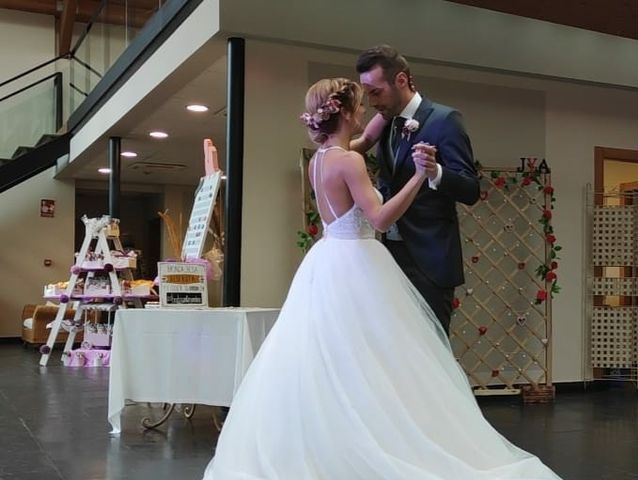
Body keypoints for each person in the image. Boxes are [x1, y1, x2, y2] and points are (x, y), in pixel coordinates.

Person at [201, 77, 561, 480]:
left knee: (337, 357)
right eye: (361, 108)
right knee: (381, 357)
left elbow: (363, 139)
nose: (368, 113)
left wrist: (383, 123)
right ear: (347, 113)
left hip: (326, 260)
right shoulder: (350, 161)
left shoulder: (322, 158)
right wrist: (419, 177)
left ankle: (339, 441)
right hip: (358, 258)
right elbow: (380, 216)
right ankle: (382, 439)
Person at [356, 45, 480, 335]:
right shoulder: (386, 123)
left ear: (401, 80)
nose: (372, 101)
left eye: (376, 92)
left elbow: (471, 189)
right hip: (390, 258)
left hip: (430, 260)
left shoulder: (444, 120)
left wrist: (435, 171)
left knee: (432, 356)